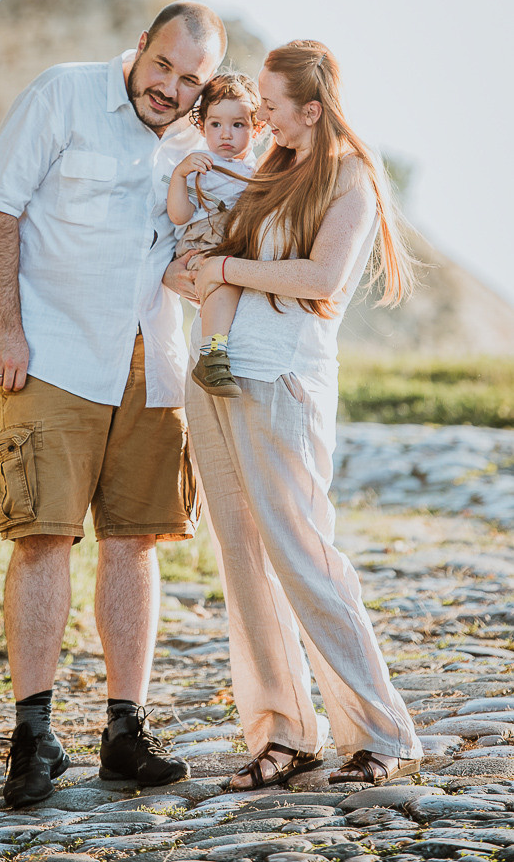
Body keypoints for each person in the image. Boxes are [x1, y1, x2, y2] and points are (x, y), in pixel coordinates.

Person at [0, 1, 227, 807]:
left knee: (136, 539)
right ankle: (33, 736)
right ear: (139, 47)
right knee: (42, 533)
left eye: (191, 80)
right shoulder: (64, 94)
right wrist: (5, 327)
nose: (172, 89)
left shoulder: (201, 138)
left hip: (153, 359)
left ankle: (124, 730)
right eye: (163, 68)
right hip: (53, 351)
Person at [185, 40, 423, 789]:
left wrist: (222, 269)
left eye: (272, 103)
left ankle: (380, 732)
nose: (257, 113)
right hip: (213, 377)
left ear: (310, 108)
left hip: (283, 380)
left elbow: (320, 278)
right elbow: (200, 244)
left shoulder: (350, 173)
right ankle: (282, 733)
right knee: (244, 563)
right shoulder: (269, 164)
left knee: (305, 557)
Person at [166, 73, 259, 398]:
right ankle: (212, 354)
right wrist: (180, 175)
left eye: (238, 125)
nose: (226, 135)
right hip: (204, 242)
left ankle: (219, 350)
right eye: (216, 125)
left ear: (256, 128)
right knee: (226, 280)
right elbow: (179, 215)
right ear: (202, 126)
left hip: (235, 242)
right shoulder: (200, 166)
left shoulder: (258, 171)